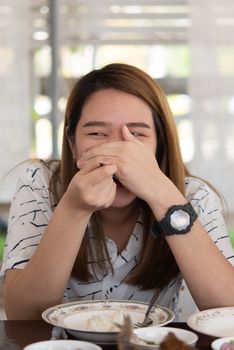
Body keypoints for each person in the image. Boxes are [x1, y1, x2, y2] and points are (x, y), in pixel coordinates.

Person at [1, 63, 234, 321]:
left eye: (136, 134)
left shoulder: (194, 196)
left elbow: (227, 309)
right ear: (72, 143)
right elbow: (22, 316)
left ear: (160, 144)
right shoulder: (39, 184)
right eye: (97, 133)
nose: (118, 150)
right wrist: (73, 209)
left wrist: (163, 196)